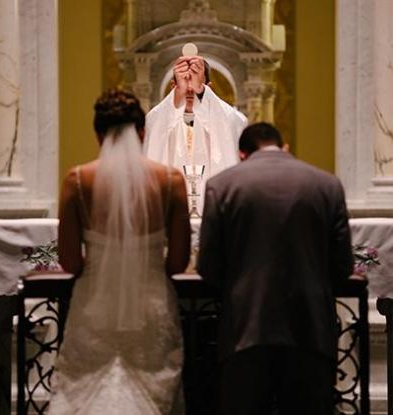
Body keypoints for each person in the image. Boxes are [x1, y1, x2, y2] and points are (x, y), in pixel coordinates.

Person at [48, 89, 191, 414]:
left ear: (98, 133)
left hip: (95, 304)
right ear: (142, 132)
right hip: (151, 302)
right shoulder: (171, 180)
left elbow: (69, 261)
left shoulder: (78, 180)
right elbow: (178, 263)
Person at [197, 122, 354, 415]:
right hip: (310, 329)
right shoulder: (327, 184)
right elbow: (343, 265)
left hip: (246, 329)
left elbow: (208, 267)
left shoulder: (222, 185)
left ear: (242, 154)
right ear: (284, 148)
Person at [144, 55, 247, 182]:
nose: (190, 89)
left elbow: (236, 122)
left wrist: (202, 92)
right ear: (173, 86)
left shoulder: (222, 117)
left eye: (196, 83)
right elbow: (153, 126)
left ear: (209, 88)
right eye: (185, 81)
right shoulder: (161, 118)